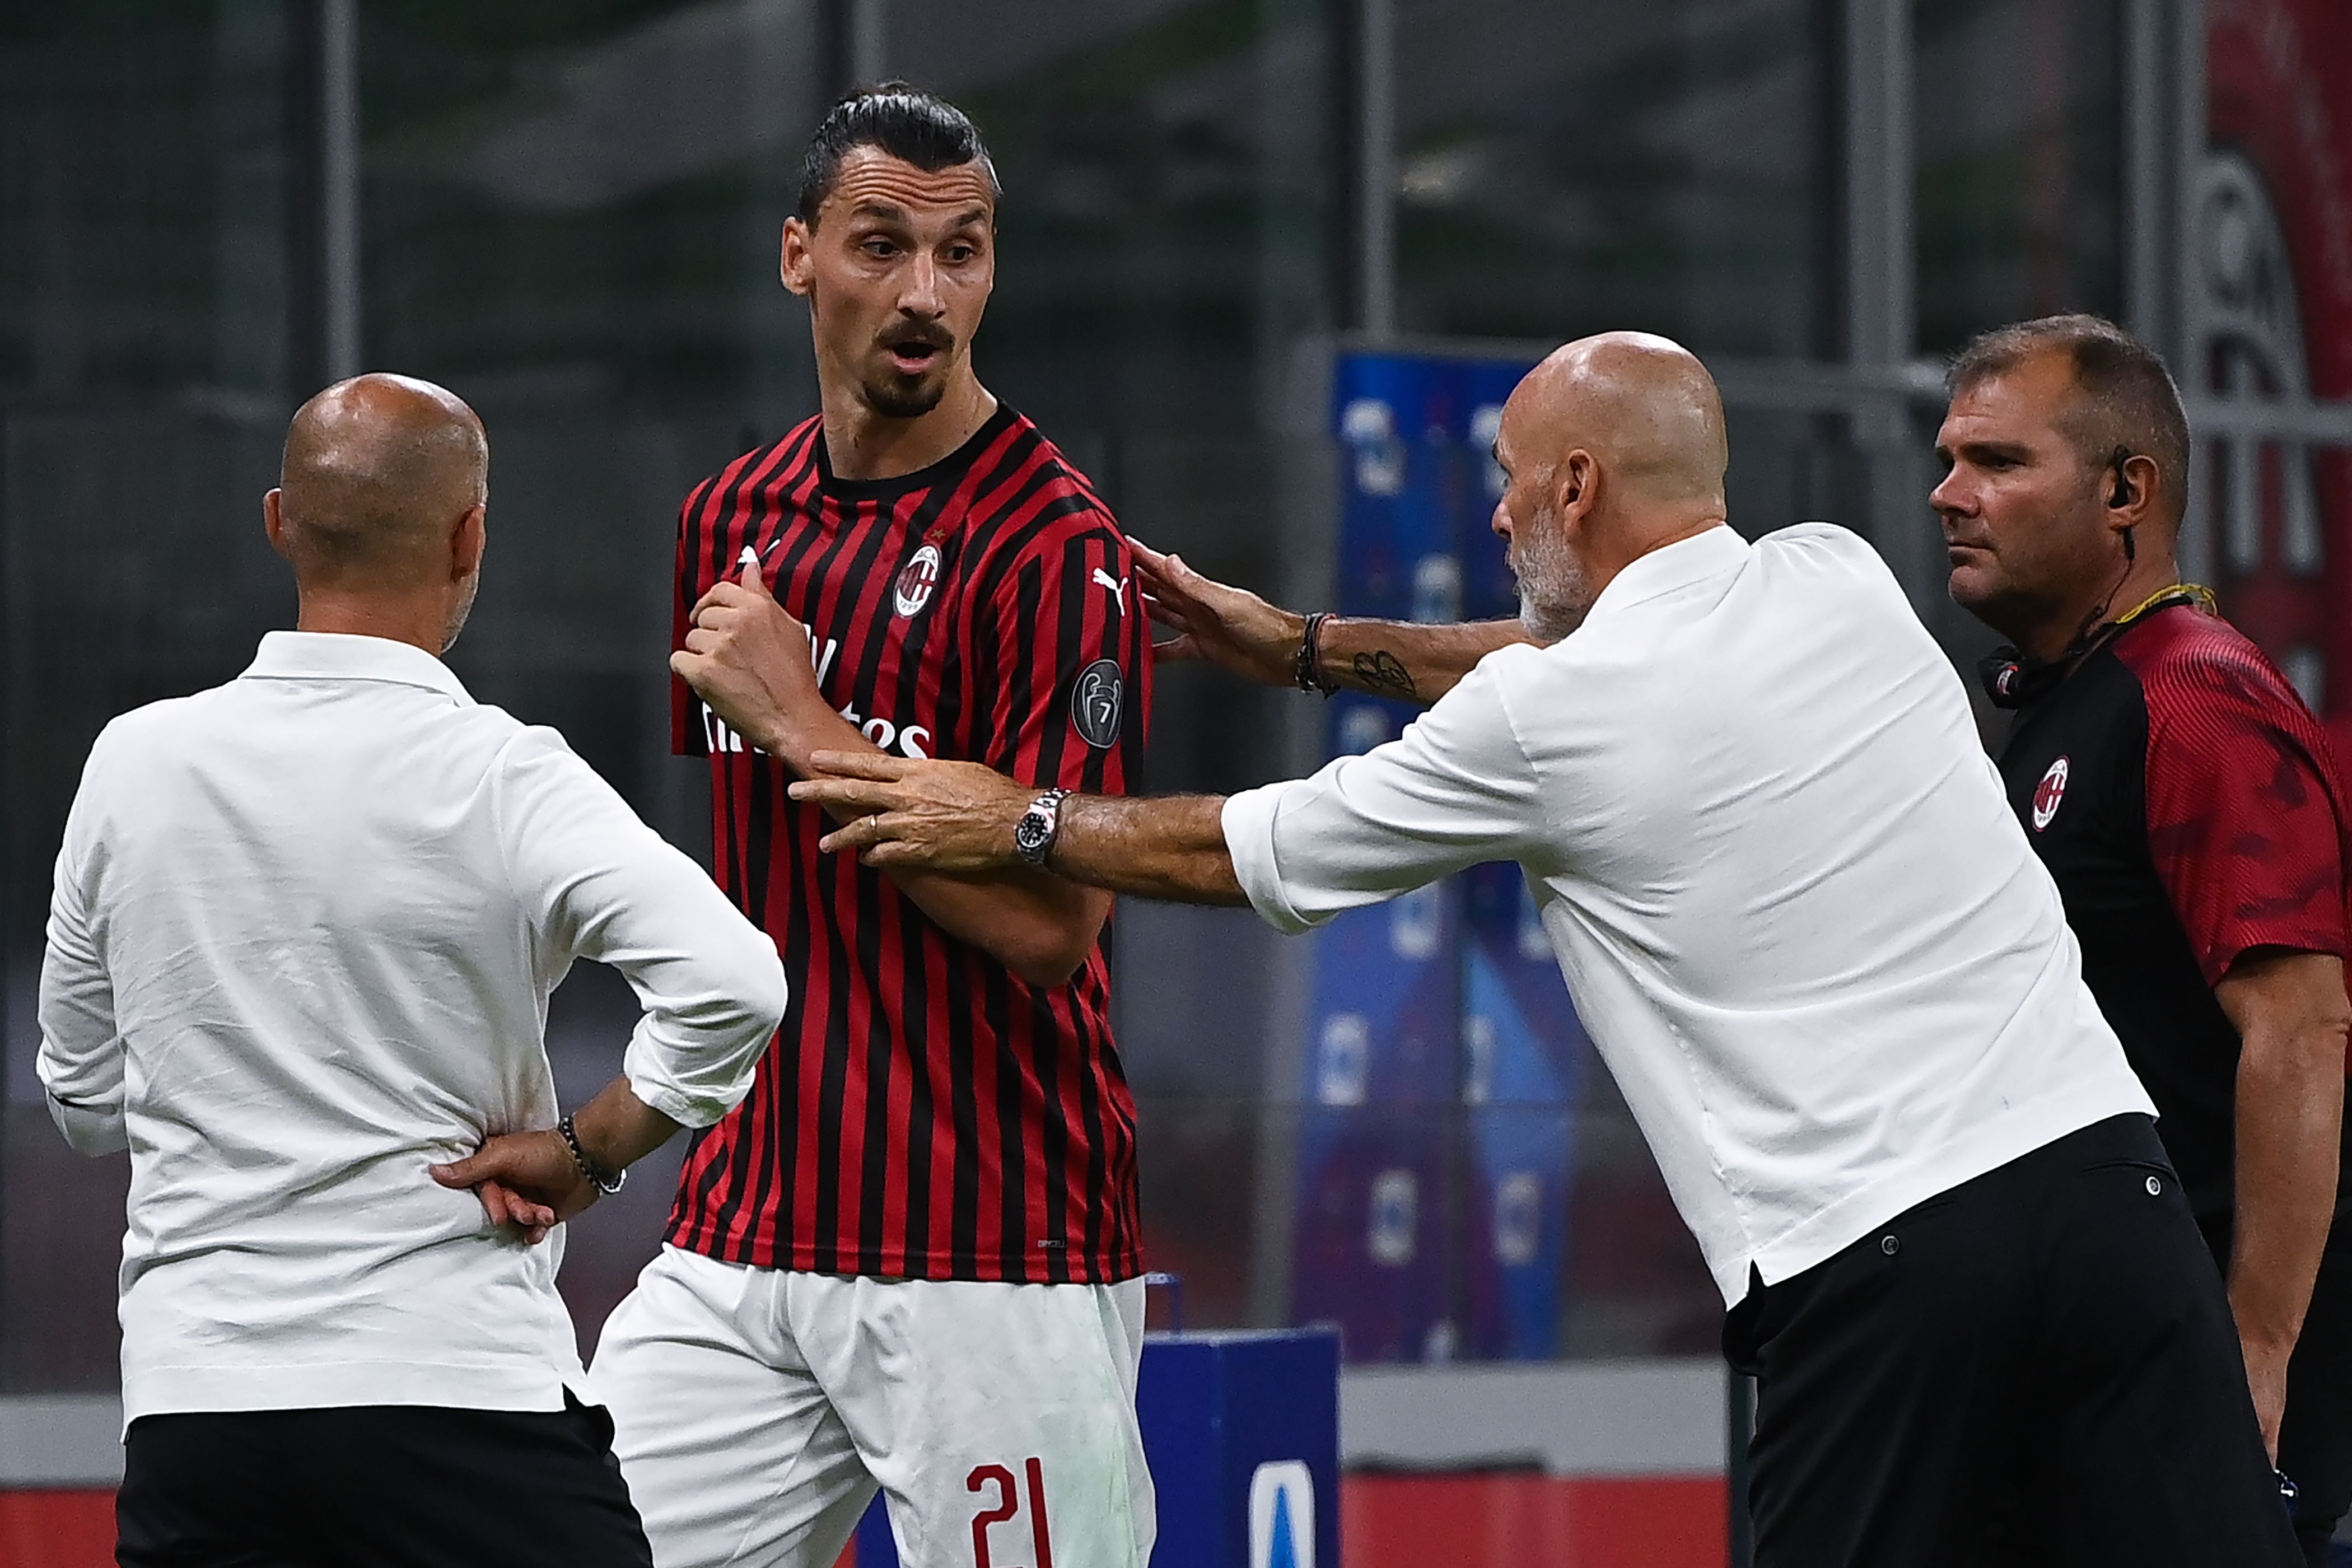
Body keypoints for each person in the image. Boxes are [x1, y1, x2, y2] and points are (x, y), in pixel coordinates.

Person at [792, 330, 2307, 1566]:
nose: (1502, 518)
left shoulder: (1541, 723)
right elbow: (1598, 648)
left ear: (1577, 486)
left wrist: (1020, 815)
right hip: (2118, 1203)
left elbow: (1238, 848)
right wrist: (1312, 647)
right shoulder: (1842, 582)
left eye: (1515, 489)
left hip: (1884, 1271)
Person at [35, 372, 790, 1568]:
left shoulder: (132, 764)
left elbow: (81, 1103)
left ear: (279, 520)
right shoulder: (502, 773)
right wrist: (589, 1149)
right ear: (469, 535)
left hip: (200, 1414)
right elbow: (737, 984)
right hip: (459, 1394)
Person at [589, 85, 1156, 1568]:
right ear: (799, 257)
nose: (925, 295)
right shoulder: (728, 524)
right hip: (746, 1228)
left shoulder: (1058, 551)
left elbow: (1052, 929)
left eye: (962, 253)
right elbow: (760, 882)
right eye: (882, 246)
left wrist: (813, 731)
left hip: (992, 1253)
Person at [1932, 312, 2352, 1561]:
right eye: (1951, 455)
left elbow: (2304, 1024)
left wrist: (2255, 1352)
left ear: (2127, 491)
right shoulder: (2076, 702)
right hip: (2106, 1365)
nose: (1950, 492)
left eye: (2001, 462)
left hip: (2208, 1395)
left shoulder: (2195, 697)